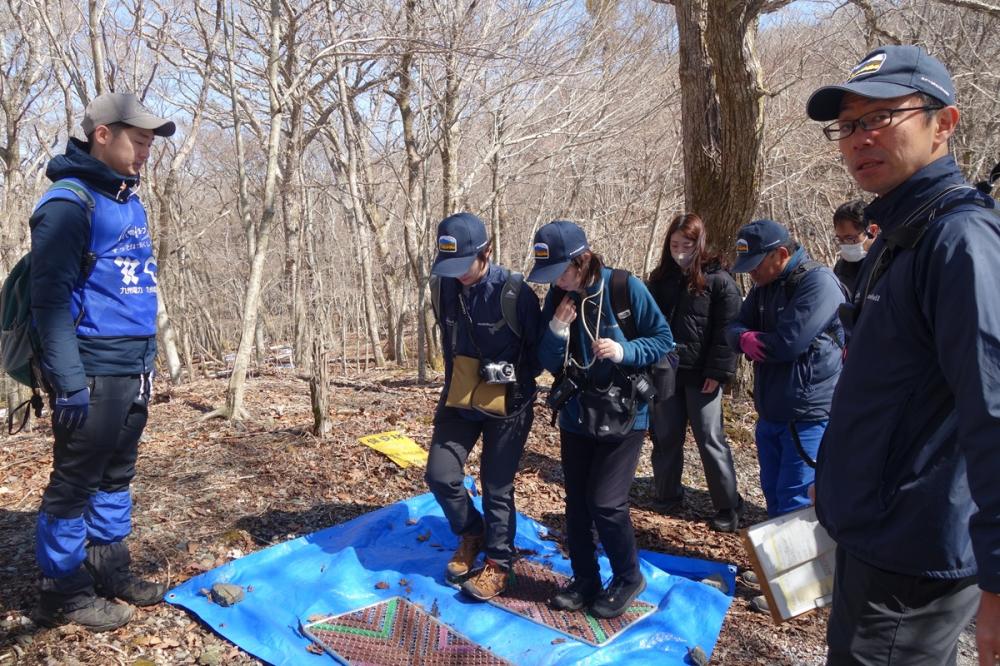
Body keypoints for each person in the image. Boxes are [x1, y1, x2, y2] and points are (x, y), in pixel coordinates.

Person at [807, 45, 1000, 665]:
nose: (859, 139)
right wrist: (835, 479)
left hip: (911, 555)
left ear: (944, 123)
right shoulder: (901, 235)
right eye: (848, 125)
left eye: (881, 117)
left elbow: (993, 408)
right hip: (877, 533)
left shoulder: (960, 241)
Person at [30, 93, 175, 631]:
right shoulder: (68, 204)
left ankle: (108, 568)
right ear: (103, 135)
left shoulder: (128, 199)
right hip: (90, 369)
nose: (146, 152)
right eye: (139, 141)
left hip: (132, 366)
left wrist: (149, 360)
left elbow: (131, 292)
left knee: (116, 475)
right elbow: (49, 302)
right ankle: (62, 591)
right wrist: (68, 381)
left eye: (150, 144)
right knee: (75, 482)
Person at [530, 220, 673, 619]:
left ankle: (628, 577)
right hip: (577, 412)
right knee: (577, 503)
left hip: (625, 413)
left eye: (561, 271)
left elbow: (663, 339)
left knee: (606, 503)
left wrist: (624, 350)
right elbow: (547, 362)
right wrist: (557, 327)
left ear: (584, 260)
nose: (556, 280)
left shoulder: (625, 288)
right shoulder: (558, 297)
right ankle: (585, 579)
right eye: (551, 274)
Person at [424, 212, 541, 602]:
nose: (458, 274)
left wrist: (496, 374)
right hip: (460, 398)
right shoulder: (444, 286)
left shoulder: (515, 293)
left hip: (509, 404)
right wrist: (463, 379)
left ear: (486, 252)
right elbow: (448, 341)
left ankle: (499, 563)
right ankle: (472, 532)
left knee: (495, 486)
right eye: (450, 265)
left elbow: (538, 360)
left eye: (465, 264)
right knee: (440, 475)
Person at [724, 220, 844, 518]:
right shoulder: (765, 285)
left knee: (796, 505)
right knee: (775, 497)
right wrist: (744, 338)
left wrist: (752, 340)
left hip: (808, 415)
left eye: (756, 265)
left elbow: (788, 344)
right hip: (771, 410)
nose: (751, 273)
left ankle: (803, 553)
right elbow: (734, 327)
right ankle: (775, 552)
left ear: (780, 254)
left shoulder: (818, 283)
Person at [645, 213, 743, 532]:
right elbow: (647, 323)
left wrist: (718, 372)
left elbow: (727, 331)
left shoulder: (719, 280)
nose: (680, 251)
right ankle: (666, 494)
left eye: (686, 245)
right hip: (666, 372)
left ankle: (727, 506)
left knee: (709, 439)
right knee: (665, 436)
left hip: (703, 375)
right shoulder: (660, 279)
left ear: (699, 243)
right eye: (674, 245)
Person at [830, 199, 879, 297]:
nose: (844, 244)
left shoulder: (888, 264)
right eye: (840, 239)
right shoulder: (841, 268)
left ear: (873, 230)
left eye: (850, 238)